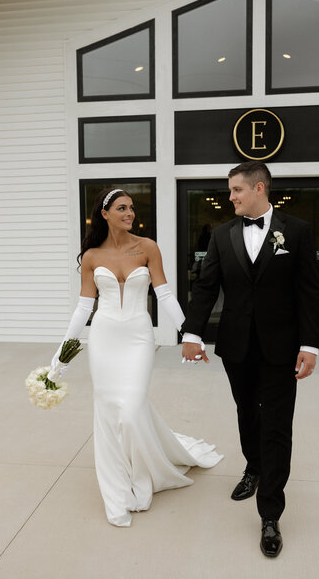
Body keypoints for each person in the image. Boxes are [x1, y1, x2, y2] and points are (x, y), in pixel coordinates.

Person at [48, 187, 223, 527]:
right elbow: (84, 307)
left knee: (131, 408)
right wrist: (62, 355)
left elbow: (166, 295)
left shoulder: (147, 248)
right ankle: (117, 489)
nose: (129, 213)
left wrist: (191, 333)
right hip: (105, 337)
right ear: (105, 213)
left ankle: (144, 476)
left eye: (131, 208)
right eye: (122, 208)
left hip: (139, 337)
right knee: (109, 412)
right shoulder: (91, 257)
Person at [181, 161, 319, 557]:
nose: (230, 198)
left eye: (236, 191)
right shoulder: (223, 235)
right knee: (247, 412)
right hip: (237, 346)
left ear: (259, 188)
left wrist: (310, 345)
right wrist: (193, 332)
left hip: (282, 349)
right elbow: (206, 285)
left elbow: (309, 291)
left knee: (277, 424)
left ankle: (271, 514)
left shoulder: (296, 230)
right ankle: (254, 467)